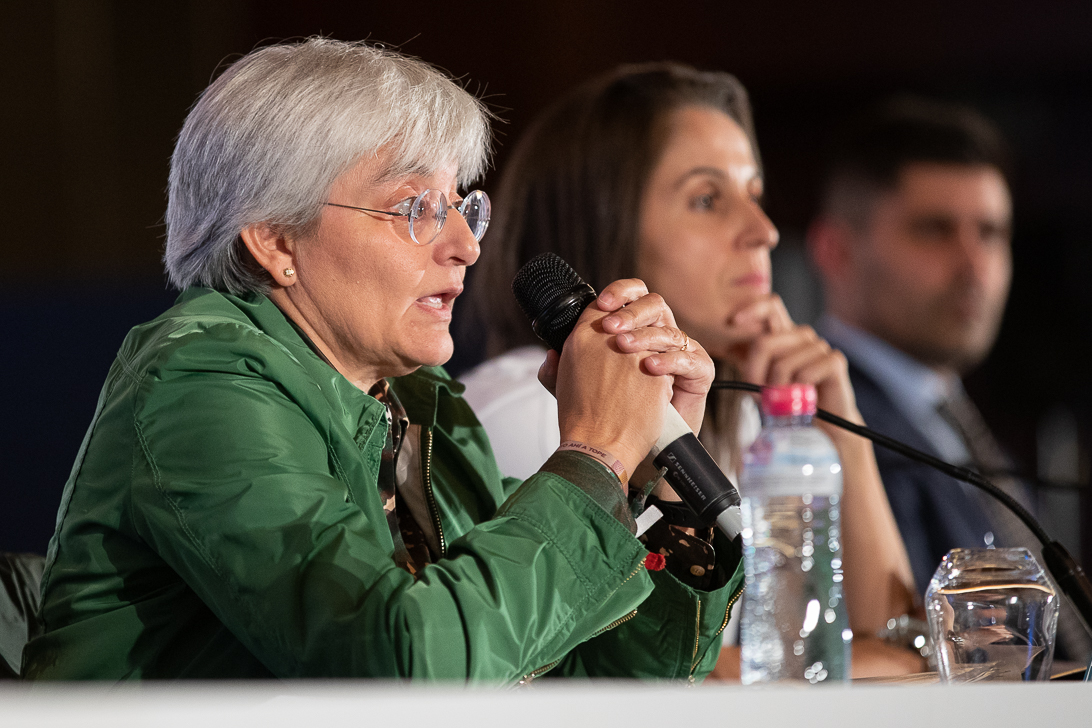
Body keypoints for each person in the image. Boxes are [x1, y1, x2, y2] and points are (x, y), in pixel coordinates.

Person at [22, 39, 741, 681]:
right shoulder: (197, 386)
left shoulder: (419, 403)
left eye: (463, 206)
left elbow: (593, 675)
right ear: (275, 240)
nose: (465, 243)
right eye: (415, 209)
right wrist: (594, 458)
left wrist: (659, 483)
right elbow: (400, 666)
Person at [462, 63, 923, 677]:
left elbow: (902, 643)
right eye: (708, 199)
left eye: (755, 197)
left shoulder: (739, 421)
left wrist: (840, 429)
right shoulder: (529, 409)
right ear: (606, 223)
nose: (762, 231)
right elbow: (604, 679)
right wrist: (863, 662)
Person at [807, 97, 1090, 661]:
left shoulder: (955, 414)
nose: (974, 266)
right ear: (835, 250)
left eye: (990, 233)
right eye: (934, 230)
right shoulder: (816, 415)